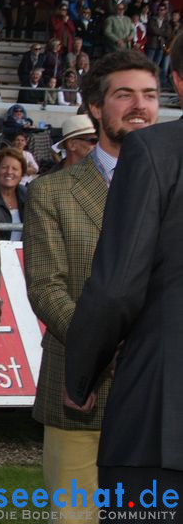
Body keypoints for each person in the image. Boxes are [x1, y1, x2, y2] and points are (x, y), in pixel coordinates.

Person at [25, 50, 161, 523]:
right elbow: (45, 288)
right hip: (79, 391)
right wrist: (98, 347)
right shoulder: (52, 192)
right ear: (97, 108)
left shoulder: (178, 184)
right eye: (124, 95)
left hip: (161, 397)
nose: (140, 106)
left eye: (149, 95)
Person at [64, 35, 183, 517]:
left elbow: (116, 289)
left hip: (163, 412)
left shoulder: (154, 150)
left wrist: (82, 374)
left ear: (175, 81)